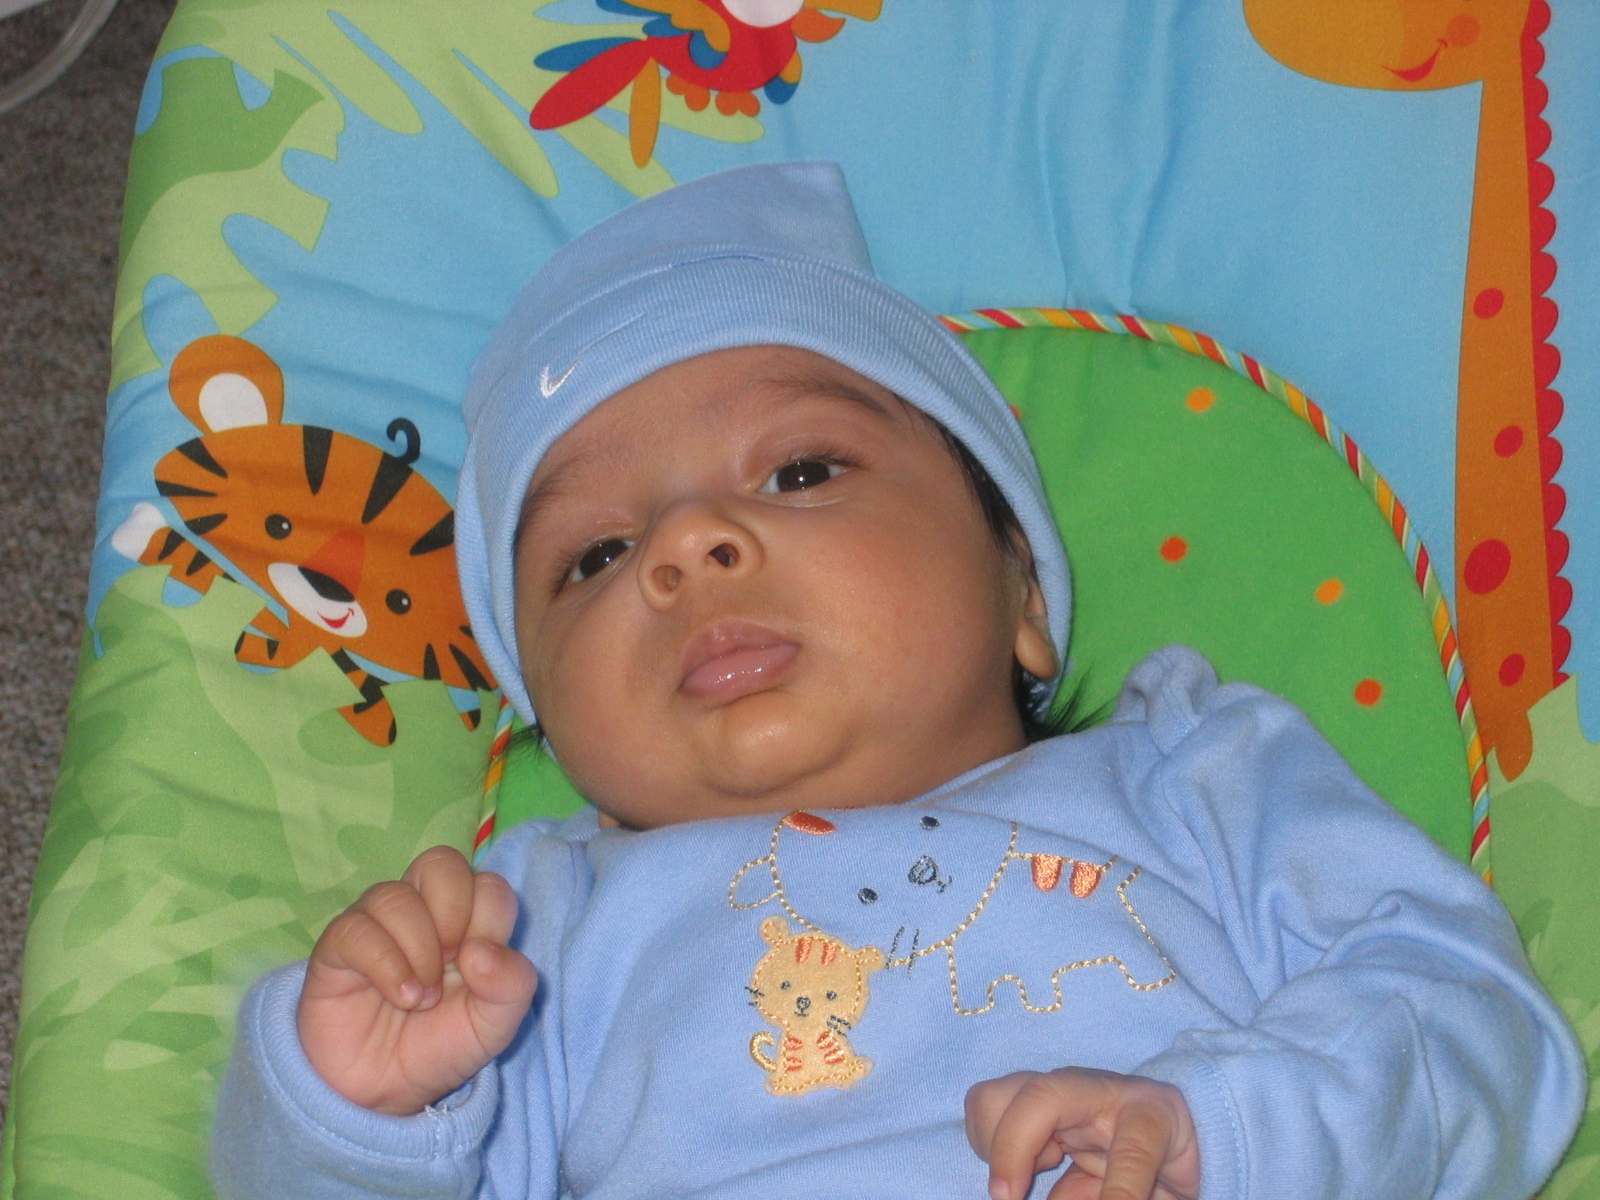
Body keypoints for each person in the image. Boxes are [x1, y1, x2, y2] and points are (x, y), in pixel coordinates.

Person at [210, 163, 1585, 1200]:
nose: (687, 547)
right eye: (596, 556)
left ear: (1023, 592)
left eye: (801, 470)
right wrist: (355, 1112)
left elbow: (1468, 1022)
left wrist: (1226, 1133)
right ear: (556, 726)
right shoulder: (534, 932)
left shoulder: (1192, 771)